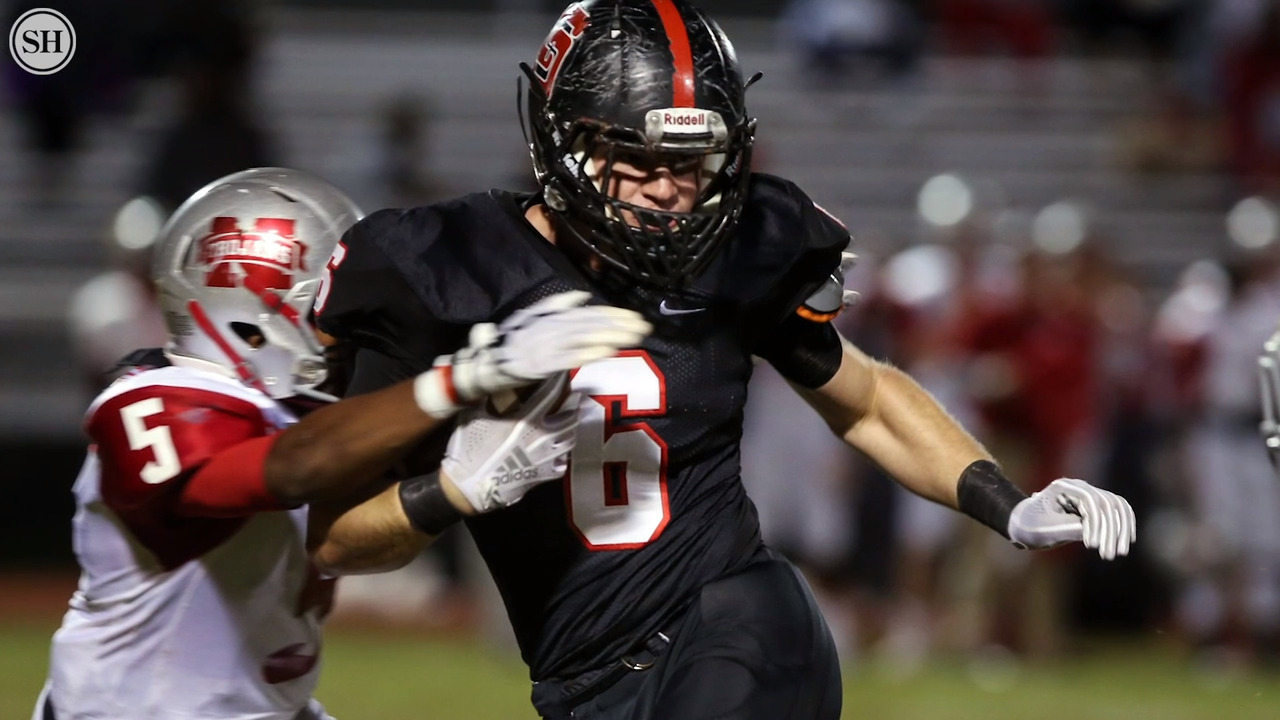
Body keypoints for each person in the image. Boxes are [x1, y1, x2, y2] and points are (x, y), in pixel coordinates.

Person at [310, 2, 1138, 719]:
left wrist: (1004, 502)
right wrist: (450, 490)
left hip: (734, 625)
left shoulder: (739, 248)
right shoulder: (443, 269)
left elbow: (868, 398)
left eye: (691, 164)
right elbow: (339, 540)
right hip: (578, 681)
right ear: (561, 142)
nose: (671, 191)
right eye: (641, 160)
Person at [33, 166, 651, 720]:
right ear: (253, 313)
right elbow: (288, 470)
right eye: (334, 305)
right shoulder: (154, 400)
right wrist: (464, 378)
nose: (354, 322)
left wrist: (451, 486)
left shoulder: (322, 412)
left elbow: (347, 540)